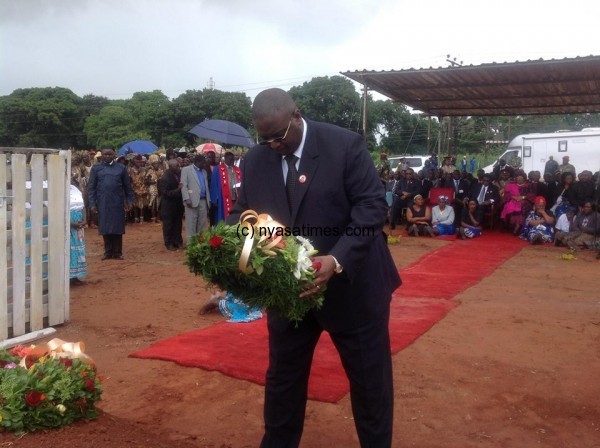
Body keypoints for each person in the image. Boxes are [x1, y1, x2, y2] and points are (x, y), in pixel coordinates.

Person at [228, 88, 401, 448]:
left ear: (297, 116)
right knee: (283, 380)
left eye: (279, 136)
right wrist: (263, 249)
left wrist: (335, 260)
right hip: (290, 293)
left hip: (353, 288)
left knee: (370, 383)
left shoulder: (345, 145)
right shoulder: (256, 160)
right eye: (266, 139)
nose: (274, 145)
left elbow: (371, 208)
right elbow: (243, 215)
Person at [88, 148, 134, 260]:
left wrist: (130, 201)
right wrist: (92, 204)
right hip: (102, 202)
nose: (107, 156)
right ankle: (108, 252)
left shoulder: (121, 168)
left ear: (114, 155)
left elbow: (127, 187)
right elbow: (91, 188)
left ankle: (118, 252)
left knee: (117, 227)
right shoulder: (96, 168)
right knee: (105, 226)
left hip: (117, 202)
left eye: (110, 154)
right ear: (101, 156)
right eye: (105, 154)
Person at [180, 154, 211, 244]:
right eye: (203, 163)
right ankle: (191, 244)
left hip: (203, 201)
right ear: (197, 162)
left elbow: (205, 186)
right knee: (191, 224)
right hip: (191, 201)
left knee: (202, 224)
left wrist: (208, 200)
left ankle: (201, 243)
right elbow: (183, 186)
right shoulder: (186, 170)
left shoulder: (204, 172)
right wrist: (186, 198)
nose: (204, 164)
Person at [158, 159, 184, 250]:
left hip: (178, 205)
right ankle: (169, 243)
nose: (178, 167)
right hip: (168, 206)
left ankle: (178, 241)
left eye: (178, 166)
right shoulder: (165, 178)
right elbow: (165, 193)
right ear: (171, 166)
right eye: (176, 166)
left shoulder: (178, 174)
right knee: (168, 225)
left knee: (178, 224)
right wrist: (178, 189)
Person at [500, 170, 535, 235]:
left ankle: (518, 225)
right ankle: (511, 225)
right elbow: (507, 195)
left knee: (522, 206)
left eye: (520, 178)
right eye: (517, 178)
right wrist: (514, 197)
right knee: (507, 206)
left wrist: (522, 197)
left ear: (524, 178)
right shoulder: (511, 185)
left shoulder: (529, 185)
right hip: (513, 200)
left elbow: (532, 195)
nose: (518, 180)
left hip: (525, 200)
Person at [211, 151, 241, 222]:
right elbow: (214, 185)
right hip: (223, 197)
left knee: (235, 215)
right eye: (230, 160)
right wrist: (215, 199)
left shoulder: (237, 169)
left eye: (233, 160)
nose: (232, 161)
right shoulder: (218, 169)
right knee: (223, 216)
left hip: (235, 196)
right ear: (226, 159)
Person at [69, 182, 87, 286]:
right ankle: (69, 277)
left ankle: (75, 276)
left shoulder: (74, 189)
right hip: (68, 225)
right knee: (69, 250)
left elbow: (83, 206)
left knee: (78, 249)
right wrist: (70, 223)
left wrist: (84, 220)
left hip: (78, 225)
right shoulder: (56, 190)